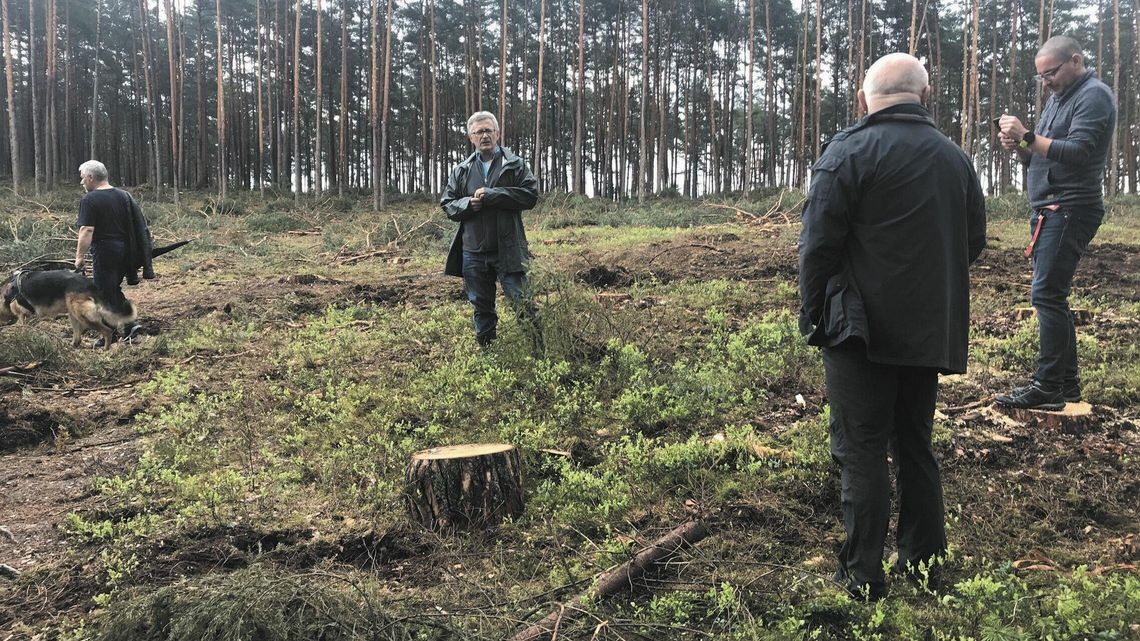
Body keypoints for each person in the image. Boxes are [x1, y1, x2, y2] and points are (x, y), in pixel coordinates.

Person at [798, 53, 986, 599]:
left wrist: (814, 316)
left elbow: (817, 249)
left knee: (861, 449)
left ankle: (862, 575)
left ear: (863, 99)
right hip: (927, 330)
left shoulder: (848, 152)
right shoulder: (954, 158)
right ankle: (924, 562)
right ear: (924, 97)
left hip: (860, 333)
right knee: (914, 444)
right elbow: (972, 242)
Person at [995, 36, 1117, 410]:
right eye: (1041, 76)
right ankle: (1066, 385)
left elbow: (1079, 153)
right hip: (1050, 208)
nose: (1045, 82)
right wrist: (1019, 148)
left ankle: (1047, 387)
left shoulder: (1094, 96)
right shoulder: (1057, 100)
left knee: (1046, 295)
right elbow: (1041, 156)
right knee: (1053, 297)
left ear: (1076, 61)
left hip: (1069, 208)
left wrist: (1028, 135)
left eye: (1050, 73)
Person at [441, 111, 541, 348]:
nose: (484, 135)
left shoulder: (514, 164)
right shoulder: (462, 170)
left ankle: (540, 355)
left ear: (497, 133)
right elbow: (447, 203)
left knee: (522, 303)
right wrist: (467, 204)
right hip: (473, 253)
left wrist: (496, 195)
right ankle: (489, 356)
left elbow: (530, 196)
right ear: (471, 137)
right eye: (479, 132)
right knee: (482, 308)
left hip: (508, 250)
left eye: (488, 130)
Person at [74, 160, 152, 343]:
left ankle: (115, 331)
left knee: (102, 291)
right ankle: (129, 325)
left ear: (91, 177)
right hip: (126, 250)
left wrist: (79, 256)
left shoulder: (90, 199)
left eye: (83, 178)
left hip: (105, 251)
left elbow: (87, 230)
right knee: (112, 288)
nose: (81, 182)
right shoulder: (123, 195)